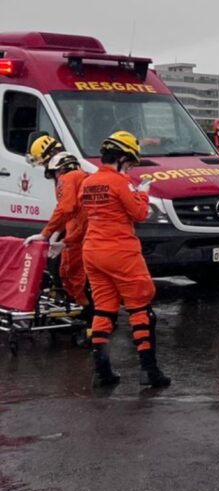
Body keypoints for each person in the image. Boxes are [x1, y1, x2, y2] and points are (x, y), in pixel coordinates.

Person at [79, 130, 169, 388]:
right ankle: (149, 371)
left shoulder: (88, 182)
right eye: (129, 163)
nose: (129, 168)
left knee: (104, 309)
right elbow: (140, 213)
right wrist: (142, 192)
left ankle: (101, 371)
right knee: (140, 307)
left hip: (92, 251)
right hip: (120, 251)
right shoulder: (120, 183)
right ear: (120, 158)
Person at [23, 151, 91, 313]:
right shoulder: (86, 178)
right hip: (93, 233)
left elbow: (65, 208)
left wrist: (46, 233)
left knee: (71, 272)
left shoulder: (67, 178)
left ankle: (84, 311)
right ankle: (94, 315)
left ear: (59, 170)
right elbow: (75, 214)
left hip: (85, 233)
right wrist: (62, 238)